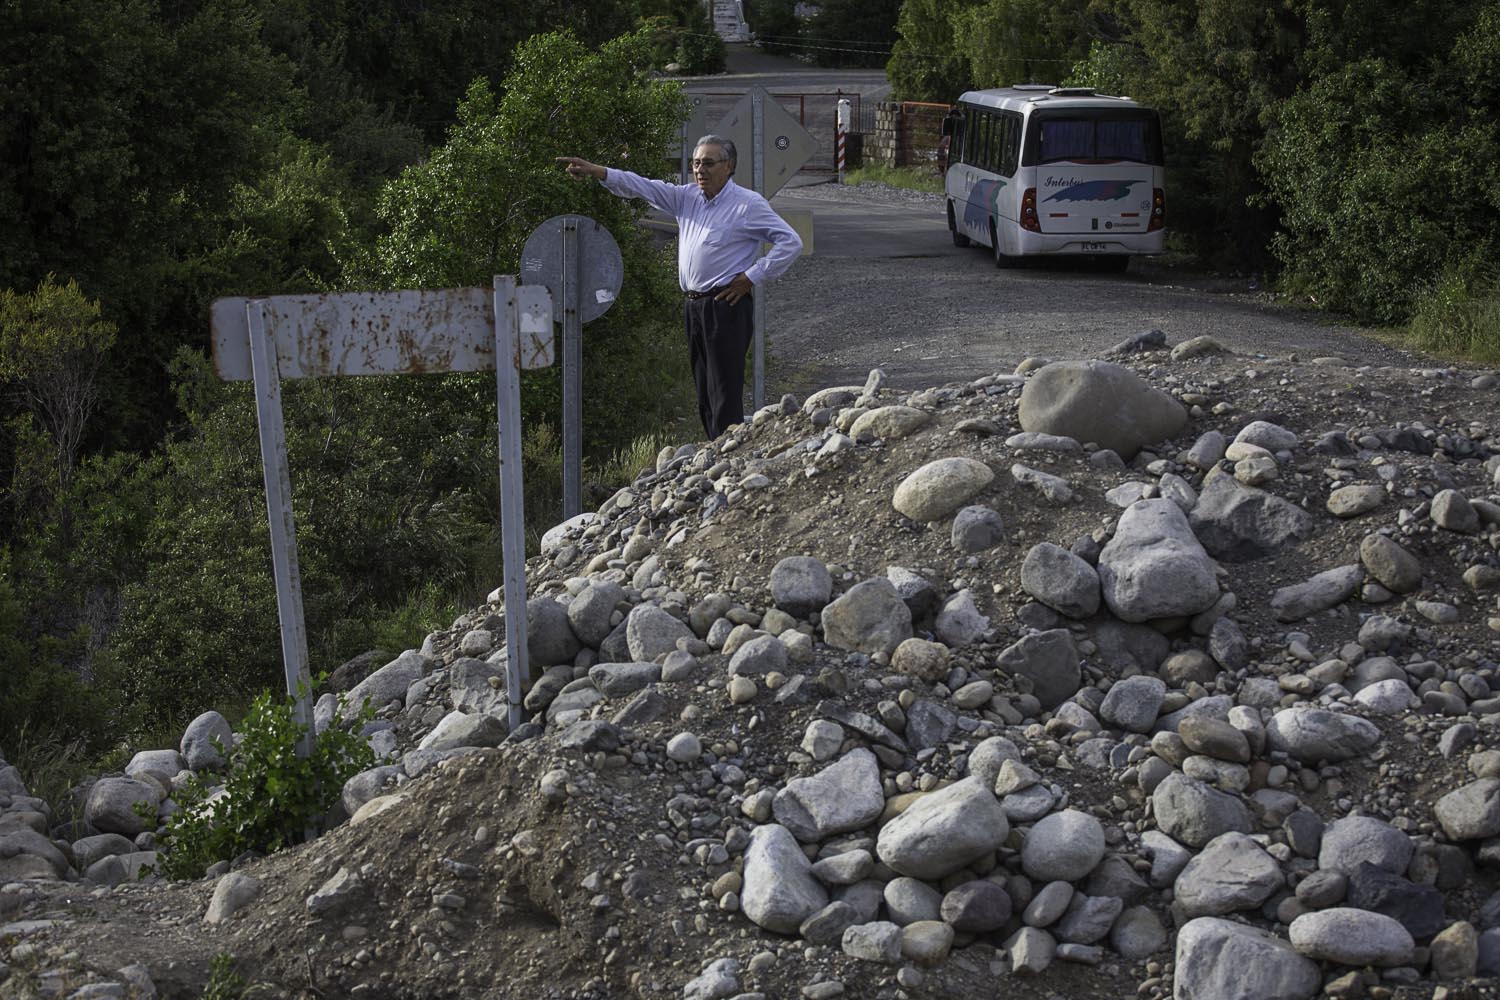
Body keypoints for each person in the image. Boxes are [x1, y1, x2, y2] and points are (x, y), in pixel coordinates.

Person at [556, 136, 803, 439]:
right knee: (704, 388)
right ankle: (715, 448)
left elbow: (790, 242)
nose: (700, 170)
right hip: (694, 306)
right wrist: (597, 171)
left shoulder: (747, 204)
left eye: (708, 163)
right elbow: (641, 186)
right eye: (696, 163)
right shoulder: (687, 197)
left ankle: (729, 450)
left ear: (729, 166)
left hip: (725, 304)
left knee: (724, 387)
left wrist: (752, 276)